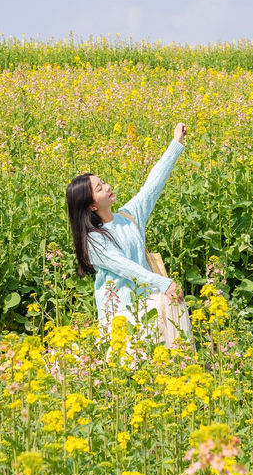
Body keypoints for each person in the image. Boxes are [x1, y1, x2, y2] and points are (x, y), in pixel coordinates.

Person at [66, 123, 194, 350]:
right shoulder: (94, 241)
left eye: (103, 182)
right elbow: (127, 269)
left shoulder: (129, 216)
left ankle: (184, 362)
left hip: (148, 303)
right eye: (99, 188)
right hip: (121, 313)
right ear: (92, 205)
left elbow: (152, 186)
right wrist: (165, 284)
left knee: (174, 301)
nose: (107, 187)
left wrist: (176, 143)